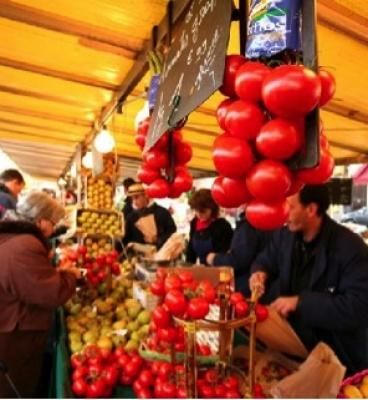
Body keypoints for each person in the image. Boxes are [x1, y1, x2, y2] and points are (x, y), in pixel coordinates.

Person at [249, 184, 368, 374]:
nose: (283, 213)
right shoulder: (284, 235)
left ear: (311, 209)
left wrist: (301, 303)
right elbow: (265, 260)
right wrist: (259, 273)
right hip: (289, 348)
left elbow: (358, 307)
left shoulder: (351, 248)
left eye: (289, 206)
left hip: (335, 359)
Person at [0, 191, 79, 397]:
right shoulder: (24, 245)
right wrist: (71, 276)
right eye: (53, 222)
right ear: (41, 220)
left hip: (12, 324)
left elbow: (27, 280)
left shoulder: (13, 237)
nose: (53, 229)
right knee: (16, 388)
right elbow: (51, 293)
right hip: (13, 338)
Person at [207, 211, 272, 295]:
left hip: (245, 287)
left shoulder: (248, 225)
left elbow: (239, 259)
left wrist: (214, 259)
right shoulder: (264, 220)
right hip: (256, 284)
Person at [186, 189, 233, 264]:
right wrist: (188, 266)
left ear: (212, 208)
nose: (199, 214)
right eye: (196, 210)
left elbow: (227, 254)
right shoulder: (194, 222)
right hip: (202, 268)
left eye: (202, 211)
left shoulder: (223, 226)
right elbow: (191, 249)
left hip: (219, 268)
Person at [123, 183, 176, 249]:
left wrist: (158, 239)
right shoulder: (131, 217)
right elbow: (126, 239)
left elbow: (172, 233)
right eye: (132, 199)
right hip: (138, 256)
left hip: (161, 255)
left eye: (136, 197)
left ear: (146, 195)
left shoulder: (162, 213)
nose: (135, 202)